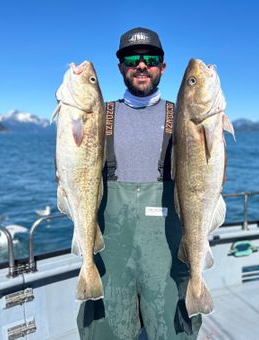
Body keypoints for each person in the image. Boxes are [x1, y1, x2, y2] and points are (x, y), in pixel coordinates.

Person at [77, 27, 202, 339]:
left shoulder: (185, 117)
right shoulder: (98, 115)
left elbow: (206, 182)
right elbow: (72, 173)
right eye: (132, 59)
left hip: (166, 251)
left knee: (170, 327)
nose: (141, 65)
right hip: (111, 252)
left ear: (162, 66)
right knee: (108, 325)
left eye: (151, 58)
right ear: (120, 67)